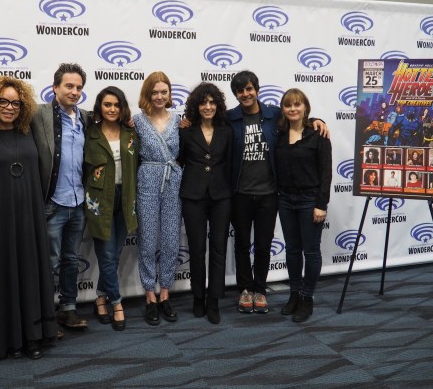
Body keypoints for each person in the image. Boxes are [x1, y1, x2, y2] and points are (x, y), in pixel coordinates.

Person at [0, 76, 56, 360]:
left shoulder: (28, 129)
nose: (9, 107)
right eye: (3, 101)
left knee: (30, 272)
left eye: (15, 103)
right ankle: (9, 339)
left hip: (29, 216)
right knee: (1, 273)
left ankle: (33, 336)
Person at [228, 71, 327, 314]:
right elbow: (205, 120)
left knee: (263, 245)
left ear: (257, 89)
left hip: (270, 194)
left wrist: (318, 120)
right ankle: (245, 290)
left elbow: (298, 118)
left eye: (249, 88)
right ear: (236, 94)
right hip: (239, 193)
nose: (245, 94)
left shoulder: (273, 116)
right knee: (241, 245)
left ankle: (260, 290)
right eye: (240, 91)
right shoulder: (230, 118)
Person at [31, 63, 91, 331]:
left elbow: (118, 118)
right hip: (51, 204)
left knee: (70, 260)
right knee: (48, 262)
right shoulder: (38, 115)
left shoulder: (87, 118)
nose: (74, 91)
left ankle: (68, 309)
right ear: (55, 87)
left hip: (79, 204)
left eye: (79, 87)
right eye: (69, 86)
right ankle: (44, 317)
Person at [84, 86, 138, 332]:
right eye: (107, 104)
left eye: (116, 105)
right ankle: (117, 303)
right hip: (99, 202)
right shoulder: (89, 133)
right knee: (106, 256)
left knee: (113, 256)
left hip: (125, 200)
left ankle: (100, 297)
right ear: (100, 106)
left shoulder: (130, 134)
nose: (112, 109)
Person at [275, 88, 332, 323]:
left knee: (311, 251)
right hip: (285, 200)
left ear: (305, 107)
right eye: (288, 105)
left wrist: (321, 204)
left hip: (310, 201)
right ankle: (294, 294)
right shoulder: (278, 134)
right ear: (283, 109)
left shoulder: (318, 134)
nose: (293, 109)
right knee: (292, 250)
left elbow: (326, 172)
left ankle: (307, 297)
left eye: (297, 105)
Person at [179, 82, 233, 324]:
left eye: (212, 102)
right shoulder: (185, 130)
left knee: (219, 248)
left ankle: (214, 300)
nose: (208, 106)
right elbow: (179, 159)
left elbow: (231, 163)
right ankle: (198, 297)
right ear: (196, 105)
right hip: (193, 196)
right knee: (197, 249)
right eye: (203, 102)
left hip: (222, 196)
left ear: (218, 105)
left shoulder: (227, 130)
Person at [134, 71, 182, 326]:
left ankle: (165, 294)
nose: (160, 96)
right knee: (148, 240)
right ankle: (149, 297)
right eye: (155, 92)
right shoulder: (137, 121)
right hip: (148, 178)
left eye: (164, 91)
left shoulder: (179, 121)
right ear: (148, 94)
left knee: (172, 239)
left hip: (173, 179)